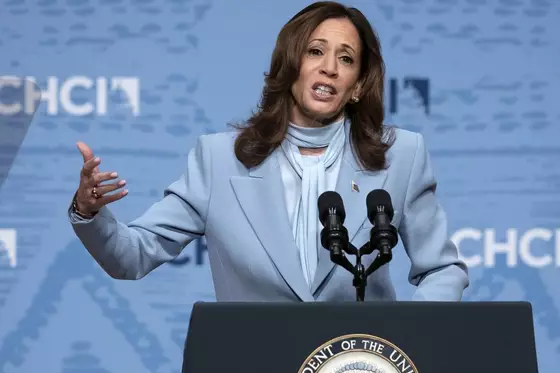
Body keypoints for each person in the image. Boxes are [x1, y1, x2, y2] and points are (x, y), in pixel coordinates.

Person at [68, 1, 469, 302]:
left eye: (345, 59)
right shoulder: (218, 160)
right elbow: (133, 256)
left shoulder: (401, 156)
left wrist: (404, 340)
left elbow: (443, 270)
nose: (329, 67)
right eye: (315, 51)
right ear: (290, 65)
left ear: (358, 85)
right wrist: (90, 212)